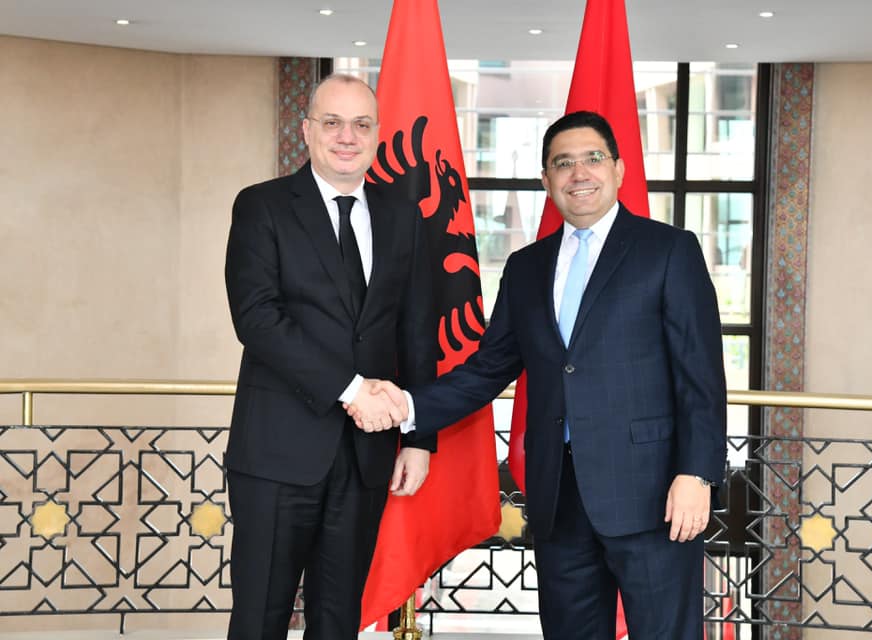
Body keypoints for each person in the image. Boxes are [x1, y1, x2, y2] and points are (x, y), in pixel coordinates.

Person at [349, 110, 727, 639]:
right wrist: (408, 408)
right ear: (546, 180)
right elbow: (487, 370)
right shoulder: (526, 267)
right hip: (558, 498)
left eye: (593, 158)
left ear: (618, 169)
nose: (580, 173)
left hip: (655, 495)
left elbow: (701, 376)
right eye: (563, 163)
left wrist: (697, 474)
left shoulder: (668, 251)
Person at [223, 73, 435, 640]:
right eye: (333, 122)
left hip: (366, 457)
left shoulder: (403, 215)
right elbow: (257, 319)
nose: (347, 136)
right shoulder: (262, 206)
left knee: (339, 621)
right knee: (259, 618)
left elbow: (415, 331)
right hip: (276, 453)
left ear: (377, 134)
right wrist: (353, 389)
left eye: (361, 124)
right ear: (307, 130)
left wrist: (418, 437)